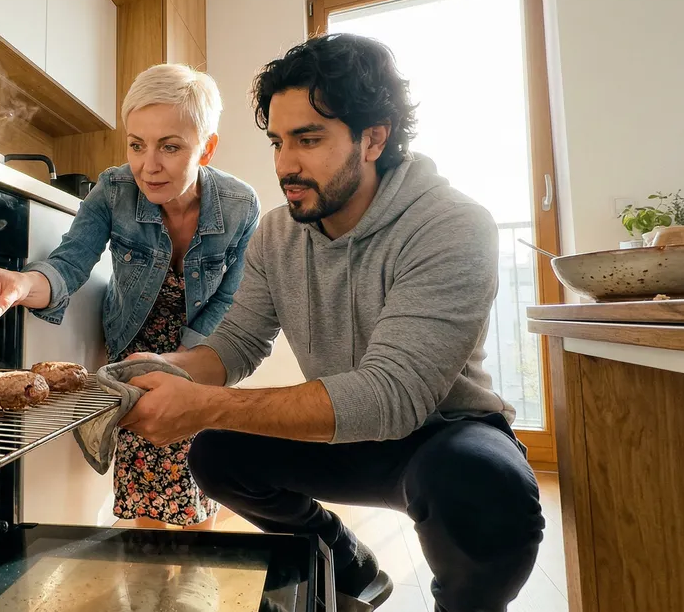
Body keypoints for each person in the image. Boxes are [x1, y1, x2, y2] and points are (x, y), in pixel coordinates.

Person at [120, 35, 544, 611]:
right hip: (345, 437)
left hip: (439, 434)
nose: (284, 165)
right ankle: (343, 560)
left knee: (482, 486)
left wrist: (203, 405)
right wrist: (159, 368)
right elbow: (237, 344)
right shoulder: (276, 233)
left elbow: (392, 395)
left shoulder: (453, 224)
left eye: (308, 139)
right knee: (216, 453)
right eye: (276, 141)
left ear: (374, 137)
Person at [0, 63, 260, 530]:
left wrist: (184, 362)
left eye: (170, 147)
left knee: (198, 480)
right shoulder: (113, 190)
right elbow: (70, 263)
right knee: (145, 493)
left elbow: (229, 301)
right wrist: (19, 285)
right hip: (132, 352)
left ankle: (197, 583)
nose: (148, 165)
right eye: (136, 144)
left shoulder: (241, 206)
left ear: (208, 148)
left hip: (203, 350)